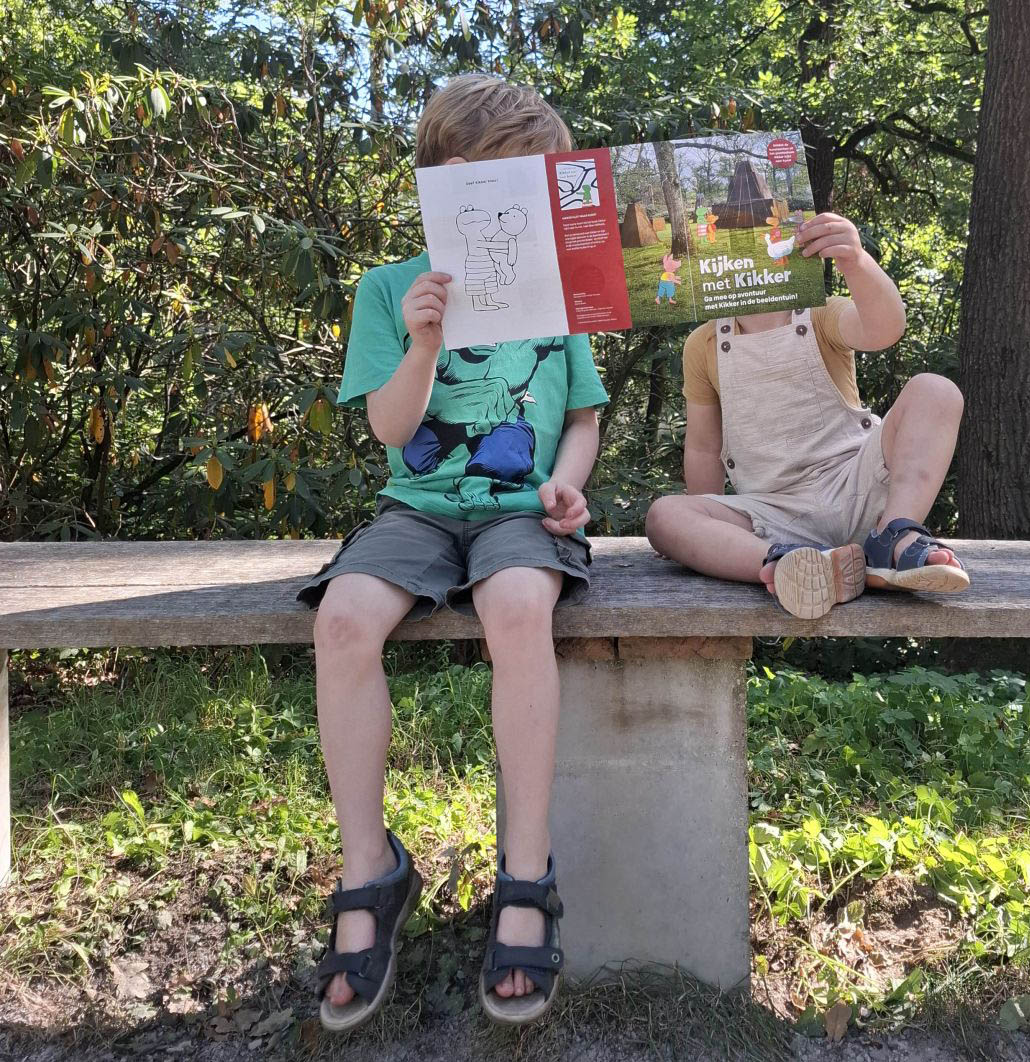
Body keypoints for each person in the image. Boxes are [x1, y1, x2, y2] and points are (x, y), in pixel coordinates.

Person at [297, 74, 608, 1030]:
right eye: (527, 181)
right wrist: (423, 343)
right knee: (343, 622)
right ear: (463, 181)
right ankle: (370, 871)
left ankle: (525, 868)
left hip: (522, 509)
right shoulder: (388, 288)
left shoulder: (555, 290)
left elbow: (585, 414)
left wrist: (567, 481)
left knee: (520, 604)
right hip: (418, 509)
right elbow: (392, 432)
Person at [645, 211, 969, 620]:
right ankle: (789, 565)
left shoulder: (820, 314)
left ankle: (896, 538)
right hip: (772, 515)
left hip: (859, 488)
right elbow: (704, 448)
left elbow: (885, 328)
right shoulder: (703, 343)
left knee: (936, 390)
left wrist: (856, 261)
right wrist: (706, 525)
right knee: (666, 516)